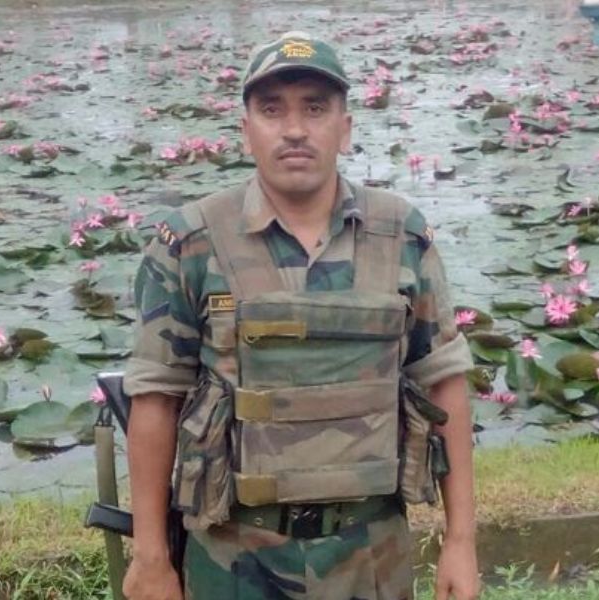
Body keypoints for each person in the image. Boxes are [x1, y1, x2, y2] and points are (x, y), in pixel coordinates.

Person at [121, 31, 479, 600]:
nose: (294, 129)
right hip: (233, 560)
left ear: (345, 127)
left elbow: (444, 382)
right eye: (272, 109)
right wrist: (150, 558)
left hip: (371, 556)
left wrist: (461, 540)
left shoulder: (402, 235)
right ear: (246, 130)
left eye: (315, 108)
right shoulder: (191, 243)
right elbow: (155, 398)